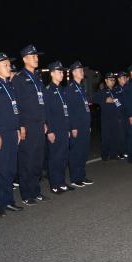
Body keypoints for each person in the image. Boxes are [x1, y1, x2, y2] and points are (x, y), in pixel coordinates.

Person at [13, 45, 51, 205]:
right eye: (33, 56)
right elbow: (16, 104)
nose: (36, 58)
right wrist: (20, 125)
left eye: (36, 56)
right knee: (27, 160)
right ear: (25, 59)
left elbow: (42, 103)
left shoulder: (37, 78)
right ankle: (27, 194)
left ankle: (36, 191)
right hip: (27, 126)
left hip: (39, 125)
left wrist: (45, 122)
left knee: (37, 160)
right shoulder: (19, 78)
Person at [0, 52, 24, 217]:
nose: (9, 68)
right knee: (0, 169)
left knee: (10, 169)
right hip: (0, 133)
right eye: (6, 65)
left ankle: (9, 200)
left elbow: (15, 111)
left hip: (12, 132)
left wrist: (18, 128)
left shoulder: (10, 85)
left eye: (9, 65)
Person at [44, 61, 73, 194]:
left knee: (63, 157)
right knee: (55, 158)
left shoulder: (61, 89)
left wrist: (68, 128)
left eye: (62, 72)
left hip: (63, 129)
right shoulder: (48, 90)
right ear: (52, 73)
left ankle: (61, 182)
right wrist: (50, 130)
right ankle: (54, 184)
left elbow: (65, 111)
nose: (62, 74)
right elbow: (47, 112)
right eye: (59, 72)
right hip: (54, 130)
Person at [66, 61, 93, 187]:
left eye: (82, 70)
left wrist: (88, 124)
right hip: (77, 126)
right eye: (80, 70)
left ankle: (82, 176)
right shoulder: (70, 89)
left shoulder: (81, 88)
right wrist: (73, 127)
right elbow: (70, 110)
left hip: (84, 125)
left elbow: (84, 108)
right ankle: (75, 178)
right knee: (76, 152)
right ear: (74, 73)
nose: (82, 72)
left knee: (83, 152)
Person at [93, 72, 123, 162]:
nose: (113, 81)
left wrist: (120, 115)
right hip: (106, 118)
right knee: (106, 137)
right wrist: (104, 100)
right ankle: (105, 154)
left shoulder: (115, 91)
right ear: (106, 80)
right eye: (110, 80)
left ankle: (114, 154)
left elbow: (119, 104)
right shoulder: (102, 91)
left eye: (114, 80)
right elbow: (94, 98)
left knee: (115, 136)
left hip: (116, 117)